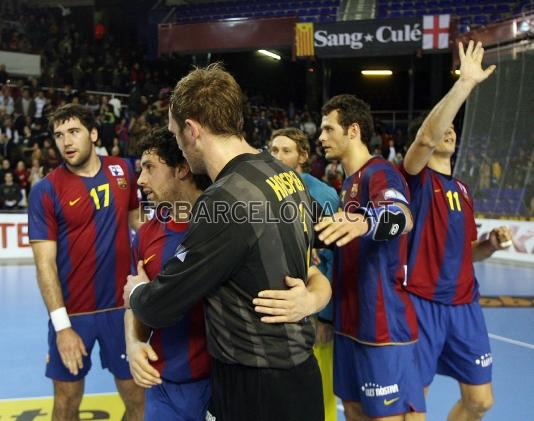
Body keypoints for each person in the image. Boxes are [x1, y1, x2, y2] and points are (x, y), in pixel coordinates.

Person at [123, 63, 326, 421]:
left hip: (255, 386)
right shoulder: (282, 174)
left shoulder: (223, 201)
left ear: (192, 130)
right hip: (301, 374)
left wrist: (137, 292)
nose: (180, 150)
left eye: (176, 135)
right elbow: (314, 262)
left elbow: (159, 306)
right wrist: (313, 297)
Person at [402, 41, 512, 421]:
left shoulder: (463, 191)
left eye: (453, 129)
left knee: (481, 402)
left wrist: (490, 245)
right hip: (423, 304)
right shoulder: (413, 178)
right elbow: (426, 138)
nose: (449, 132)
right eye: (443, 127)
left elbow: (469, 251)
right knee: (416, 406)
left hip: (465, 305)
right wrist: (464, 84)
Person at [28, 104, 144, 421]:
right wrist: (62, 327)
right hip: (74, 316)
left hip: (123, 311)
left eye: (74, 131)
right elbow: (45, 266)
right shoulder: (46, 191)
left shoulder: (122, 170)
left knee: (138, 399)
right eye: (59, 135)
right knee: (66, 404)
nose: (66, 141)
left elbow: (141, 227)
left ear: (93, 134)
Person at [315, 94, 426, 421]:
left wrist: (366, 220)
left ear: (352, 130)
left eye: (328, 129)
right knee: (353, 411)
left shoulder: (380, 172)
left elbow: (402, 216)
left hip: (382, 323)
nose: (321, 137)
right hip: (348, 323)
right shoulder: (347, 184)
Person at [270, 127, 339, 421]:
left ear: (303, 156)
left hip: (313, 308)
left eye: (286, 151)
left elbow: (331, 258)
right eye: (273, 150)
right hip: (275, 306)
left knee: (319, 389)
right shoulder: (260, 189)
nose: (278, 156)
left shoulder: (323, 194)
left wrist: (326, 317)